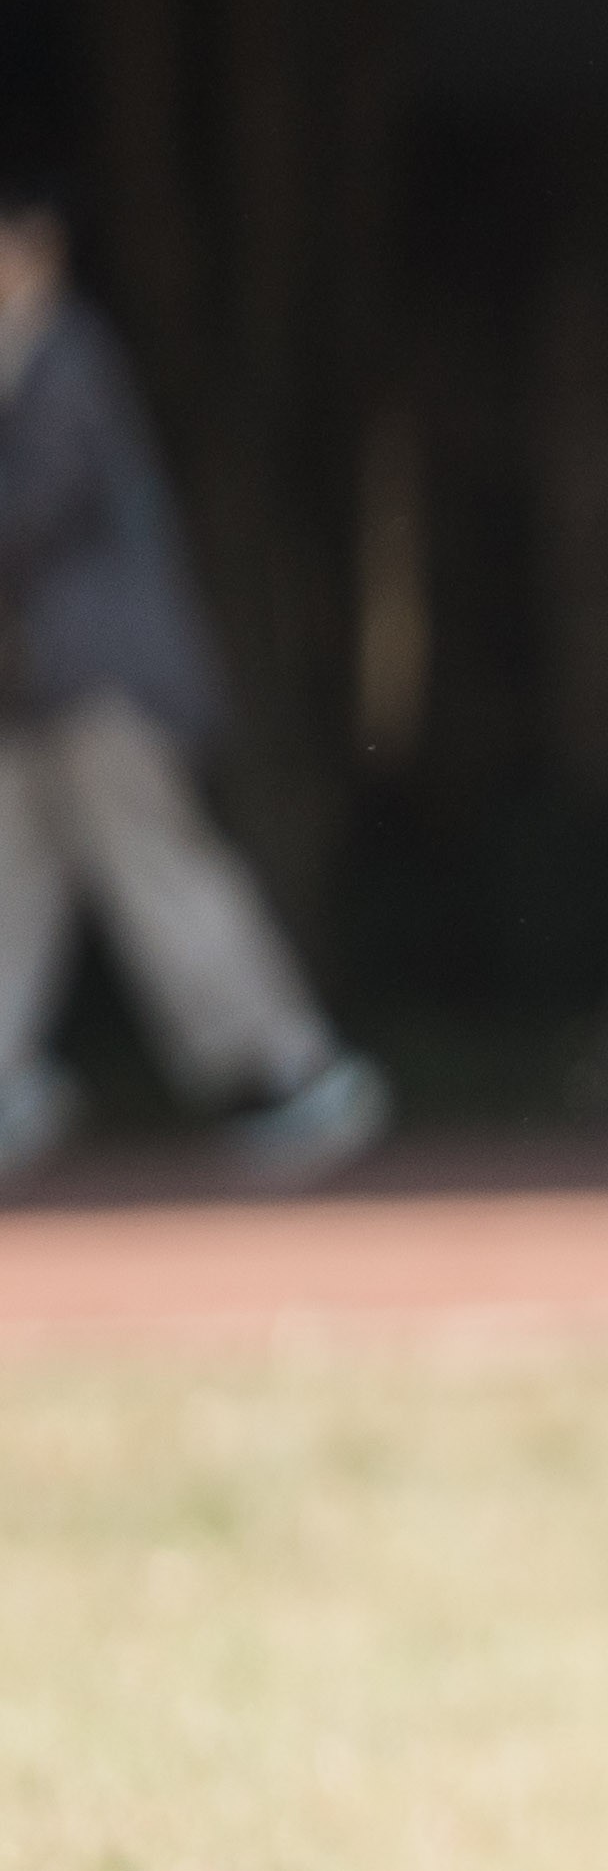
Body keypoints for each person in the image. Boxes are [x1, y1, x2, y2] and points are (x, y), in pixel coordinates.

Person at [0, 183, 386, 1186]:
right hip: (34, 690)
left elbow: (34, 514)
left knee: (161, 873)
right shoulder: (26, 361)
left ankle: (295, 1071)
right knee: (12, 879)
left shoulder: (66, 359)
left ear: (36, 247)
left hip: (99, 684)